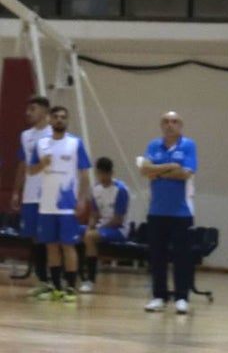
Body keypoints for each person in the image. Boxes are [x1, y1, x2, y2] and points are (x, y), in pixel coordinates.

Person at [27, 106, 91, 303]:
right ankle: (55, 287)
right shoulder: (41, 144)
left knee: (68, 246)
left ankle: (70, 287)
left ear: (67, 120)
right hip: (46, 204)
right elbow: (31, 171)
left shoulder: (75, 143)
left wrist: (81, 199)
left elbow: (85, 175)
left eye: (63, 117)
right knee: (51, 246)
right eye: (56, 117)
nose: (59, 120)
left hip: (66, 205)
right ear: (49, 119)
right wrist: (41, 165)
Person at [139, 111, 196, 314]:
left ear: (180, 125)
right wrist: (171, 166)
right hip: (156, 211)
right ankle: (159, 296)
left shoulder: (188, 145)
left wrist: (157, 170)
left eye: (174, 121)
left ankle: (182, 297)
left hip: (181, 213)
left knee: (181, 257)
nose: (170, 125)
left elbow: (185, 173)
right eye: (165, 121)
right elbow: (144, 170)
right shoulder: (153, 145)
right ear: (161, 125)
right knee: (157, 257)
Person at [11, 96, 53, 298]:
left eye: (33, 109)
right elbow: (22, 164)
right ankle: (43, 280)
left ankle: (57, 281)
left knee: (50, 238)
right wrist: (16, 191)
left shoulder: (55, 134)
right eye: (27, 109)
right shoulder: (25, 136)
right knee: (35, 238)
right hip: (30, 195)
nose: (28, 113)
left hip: (50, 194)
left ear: (45, 112)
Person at [80, 157, 130, 293]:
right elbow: (95, 214)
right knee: (76, 231)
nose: (102, 177)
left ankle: (90, 280)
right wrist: (91, 225)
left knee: (90, 237)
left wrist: (98, 229)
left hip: (118, 229)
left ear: (111, 173)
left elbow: (118, 220)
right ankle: (75, 272)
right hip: (102, 226)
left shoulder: (121, 190)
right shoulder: (96, 189)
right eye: (99, 173)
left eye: (104, 174)